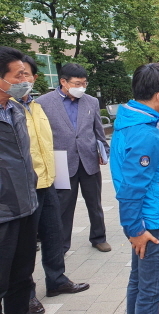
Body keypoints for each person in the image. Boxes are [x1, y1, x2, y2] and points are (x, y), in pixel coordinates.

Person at [14, 55, 89, 314]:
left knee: (54, 235)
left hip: (49, 181)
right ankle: (27, 294)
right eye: (19, 75)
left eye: (29, 75)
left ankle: (57, 280)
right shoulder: (10, 109)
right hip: (24, 188)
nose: (25, 80)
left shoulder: (35, 106)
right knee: (25, 247)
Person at [110, 63, 159, 312]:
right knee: (152, 292)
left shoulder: (130, 121)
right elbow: (131, 188)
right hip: (154, 223)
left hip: (146, 219)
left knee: (139, 284)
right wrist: (134, 229)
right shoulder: (145, 134)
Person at [36, 63, 111, 253]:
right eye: (78, 83)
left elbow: (98, 131)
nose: (82, 88)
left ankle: (98, 237)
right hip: (61, 162)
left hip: (88, 160)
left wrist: (104, 151)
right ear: (63, 81)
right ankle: (61, 244)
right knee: (62, 207)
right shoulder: (43, 103)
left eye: (84, 83)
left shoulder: (91, 102)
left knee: (95, 203)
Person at [0, 46, 39, 314]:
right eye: (18, 76)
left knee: (21, 280)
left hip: (26, 207)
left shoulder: (15, 111)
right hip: (3, 214)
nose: (25, 81)